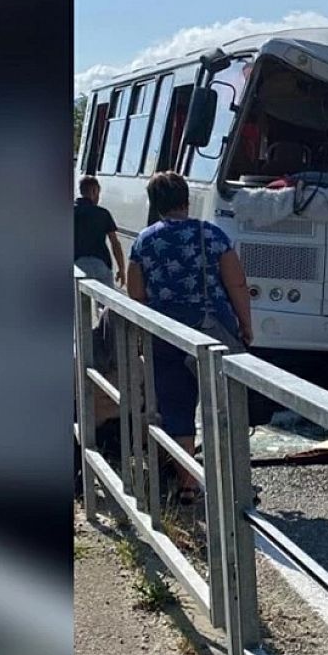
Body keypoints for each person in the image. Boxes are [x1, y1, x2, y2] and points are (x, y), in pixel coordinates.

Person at [126, 172, 254, 506]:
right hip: (211, 330)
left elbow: (135, 294)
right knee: (224, 408)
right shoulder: (211, 235)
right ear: (186, 199)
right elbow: (237, 284)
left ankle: (187, 484)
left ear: (156, 204)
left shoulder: (143, 241)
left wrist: (142, 335)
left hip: (164, 333)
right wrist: (245, 324)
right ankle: (235, 487)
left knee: (177, 407)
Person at [74, 175, 125, 288]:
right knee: (106, 303)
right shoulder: (103, 214)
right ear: (94, 191)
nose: (98, 197)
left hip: (76, 266)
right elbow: (115, 243)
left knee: (81, 304)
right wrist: (121, 269)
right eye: (98, 193)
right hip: (100, 266)